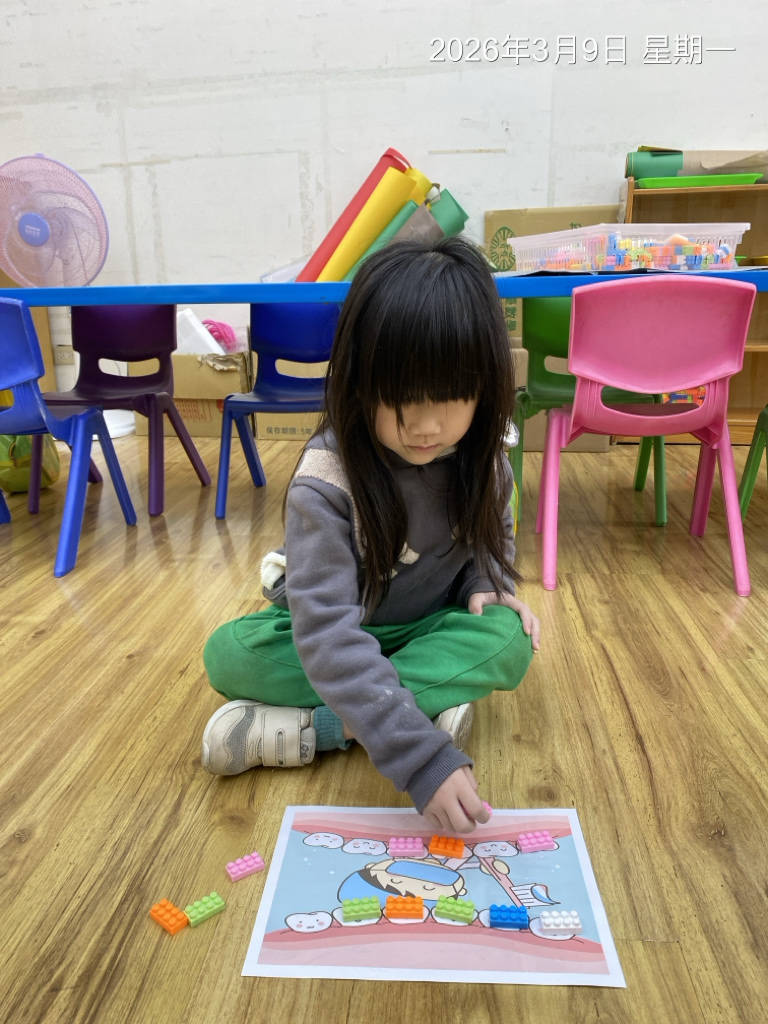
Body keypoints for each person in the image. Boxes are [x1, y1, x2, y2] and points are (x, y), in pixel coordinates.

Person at [201, 236, 540, 834]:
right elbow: (326, 631)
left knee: (509, 639)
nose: (425, 425)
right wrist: (422, 758)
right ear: (360, 383)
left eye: (450, 398)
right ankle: (409, 710)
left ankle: (326, 726)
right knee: (228, 654)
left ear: (485, 385)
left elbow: (493, 536)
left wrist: (485, 582)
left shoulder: (486, 462)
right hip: (340, 633)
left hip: (427, 627)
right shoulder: (327, 478)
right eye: (400, 399)